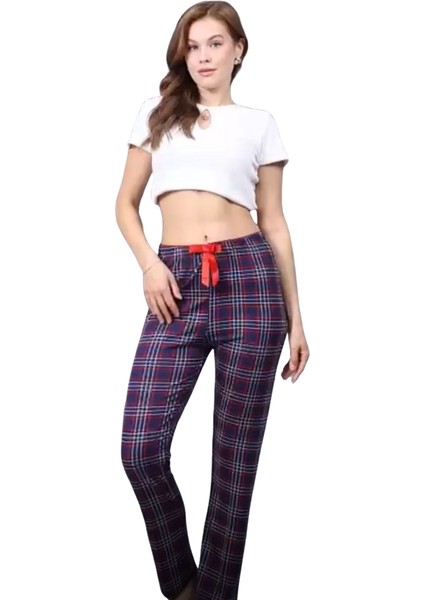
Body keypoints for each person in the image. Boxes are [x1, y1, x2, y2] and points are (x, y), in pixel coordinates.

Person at [115, 2, 310, 599]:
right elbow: (124, 204)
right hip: (174, 279)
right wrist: (150, 264)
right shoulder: (155, 114)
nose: (202, 56)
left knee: (234, 463)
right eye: (193, 46)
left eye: (215, 43)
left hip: (251, 282)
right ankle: (183, 586)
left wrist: (297, 319)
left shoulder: (259, 123)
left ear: (238, 50)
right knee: (141, 449)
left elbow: (274, 221)